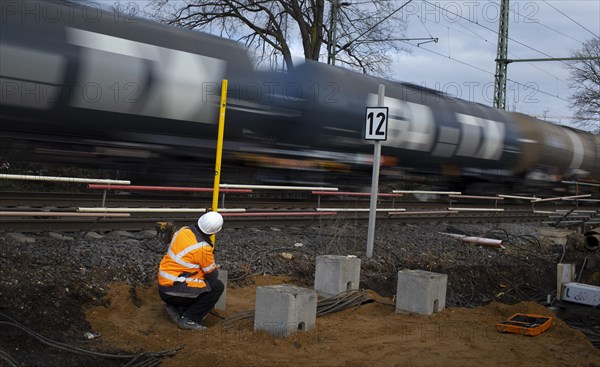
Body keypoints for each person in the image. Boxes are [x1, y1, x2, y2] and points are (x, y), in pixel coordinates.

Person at [157, 211, 225, 330]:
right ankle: (190, 319)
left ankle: (177, 309)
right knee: (217, 286)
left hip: (164, 288)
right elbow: (212, 275)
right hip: (175, 292)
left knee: (197, 280)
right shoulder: (203, 248)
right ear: (215, 231)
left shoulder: (183, 231)